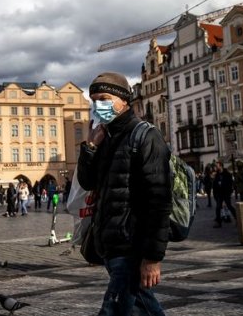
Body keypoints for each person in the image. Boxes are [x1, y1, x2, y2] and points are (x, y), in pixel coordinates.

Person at [77, 72, 172, 316]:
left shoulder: (145, 136)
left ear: (123, 100)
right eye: (94, 100)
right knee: (142, 307)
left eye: (105, 98)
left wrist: (152, 258)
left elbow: (159, 201)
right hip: (110, 245)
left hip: (132, 246)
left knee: (113, 309)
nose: (99, 106)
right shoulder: (105, 137)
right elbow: (87, 183)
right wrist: (89, 148)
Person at [213, 162, 237, 228]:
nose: (215, 167)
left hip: (226, 193)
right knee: (218, 207)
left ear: (220, 166)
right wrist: (215, 193)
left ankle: (237, 218)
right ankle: (218, 222)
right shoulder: (217, 175)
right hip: (219, 194)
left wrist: (229, 192)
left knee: (229, 206)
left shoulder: (227, 174)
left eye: (216, 166)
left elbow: (230, 184)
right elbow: (215, 184)